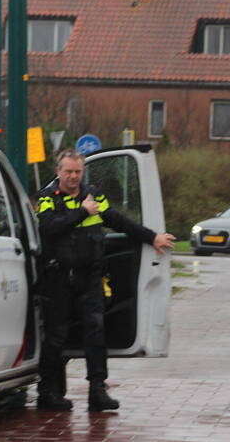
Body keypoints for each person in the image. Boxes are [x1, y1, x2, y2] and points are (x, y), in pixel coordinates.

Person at [35, 149, 175, 412]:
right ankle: (48, 393)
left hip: (90, 277)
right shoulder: (47, 197)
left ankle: (97, 391)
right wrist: (82, 212)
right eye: (68, 172)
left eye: (78, 171)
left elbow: (119, 221)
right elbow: (48, 227)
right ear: (58, 171)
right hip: (58, 278)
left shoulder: (94, 196)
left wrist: (152, 237)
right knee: (55, 337)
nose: (73, 177)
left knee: (96, 333)